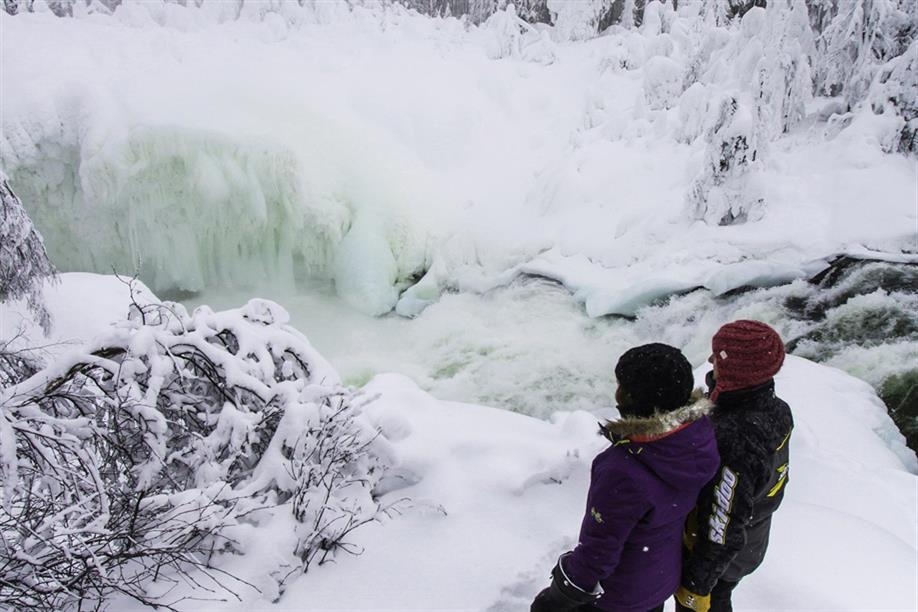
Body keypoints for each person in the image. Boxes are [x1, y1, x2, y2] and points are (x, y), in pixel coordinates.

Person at [531, 343, 720, 612]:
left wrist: (558, 597)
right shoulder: (696, 435)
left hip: (618, 595)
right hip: (659, 580)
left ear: (630, 397)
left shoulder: (623, 469)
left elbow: (599, 551)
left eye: (620, 385)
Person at [675, 320, 794, 612]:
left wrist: (696, 586)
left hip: (715, 558)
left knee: (713, 601)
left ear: (737, 371)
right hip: (752, 540)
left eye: (718, 356)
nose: (710, 360)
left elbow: (723, 525)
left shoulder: (735, 437)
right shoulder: (776, 409)